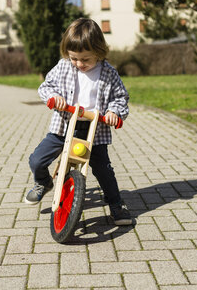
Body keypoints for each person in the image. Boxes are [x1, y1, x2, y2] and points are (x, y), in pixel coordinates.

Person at [25, 18, 132, 226]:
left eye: (86, 60)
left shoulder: (109, 73)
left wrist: (113, 112)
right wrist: (53, 97)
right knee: (37, 160)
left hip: (95, 131)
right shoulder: (64, 66)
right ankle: (43, 182)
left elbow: (121, 97)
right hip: (64, 126)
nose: (79, 64)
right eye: (74, 58)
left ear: (99, 53)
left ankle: (116, 205)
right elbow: (45, 87)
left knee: (104, 171)